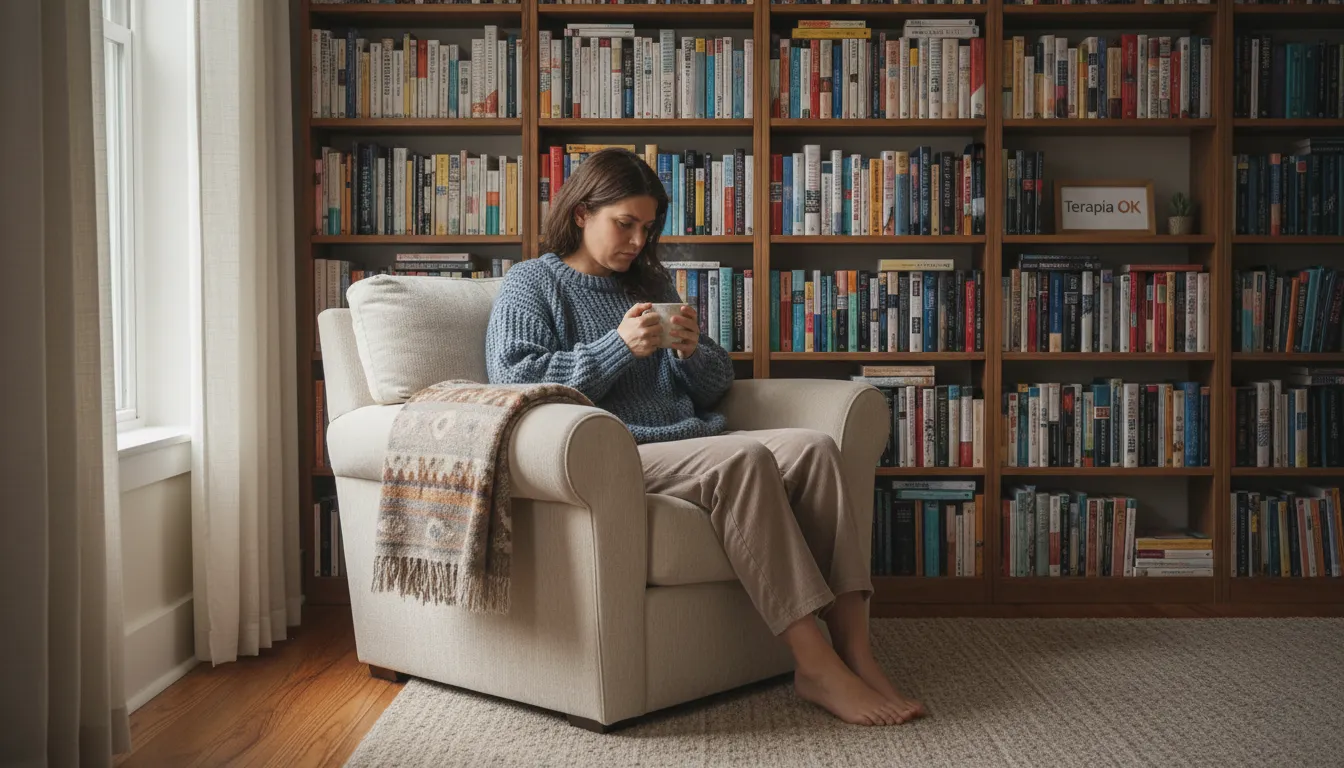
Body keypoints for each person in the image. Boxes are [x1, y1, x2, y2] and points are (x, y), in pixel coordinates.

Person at [484, 148, 926, 727]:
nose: (638, 241)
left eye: (647, 228)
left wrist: (695, 351)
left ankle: (857, 651)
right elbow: (514, 381)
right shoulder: (532, 283)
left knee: (816, 449)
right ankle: (813, 664)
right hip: (617, 454)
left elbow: (715, 387)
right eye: (625, 223)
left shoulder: (648, 282)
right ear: (580, 214)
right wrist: (618, 347)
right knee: (741, 456)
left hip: (686, 439)